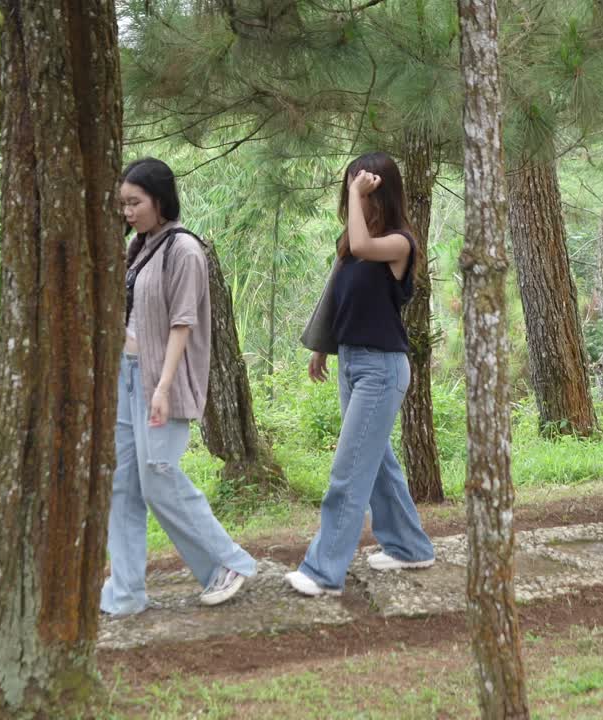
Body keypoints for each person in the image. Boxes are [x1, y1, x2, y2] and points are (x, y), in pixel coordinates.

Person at [100, 157, 256, 614]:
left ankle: (227, 563)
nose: (127, 212)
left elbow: (182, 324)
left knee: (159, 476)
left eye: (135, 203)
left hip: (159, 380)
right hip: (126, 377)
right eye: (123, 204)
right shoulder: (141, 247)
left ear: (160, 200)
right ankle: (125, 592)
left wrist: (163, 386)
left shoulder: (183, 250)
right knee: (123, 485)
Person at [286, 151, 436, 597]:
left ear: (382, 193)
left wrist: (355, 190)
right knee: (378, 466)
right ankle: (409, 547)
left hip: (381, 369)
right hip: (352, 361)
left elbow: (364, 246)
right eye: (353, 188)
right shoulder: (348, 246)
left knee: (348, 472)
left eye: (366, 190)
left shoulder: (398, 243)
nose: (357, 197)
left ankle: (322, 571)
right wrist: (322, 348)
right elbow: (340, 299)